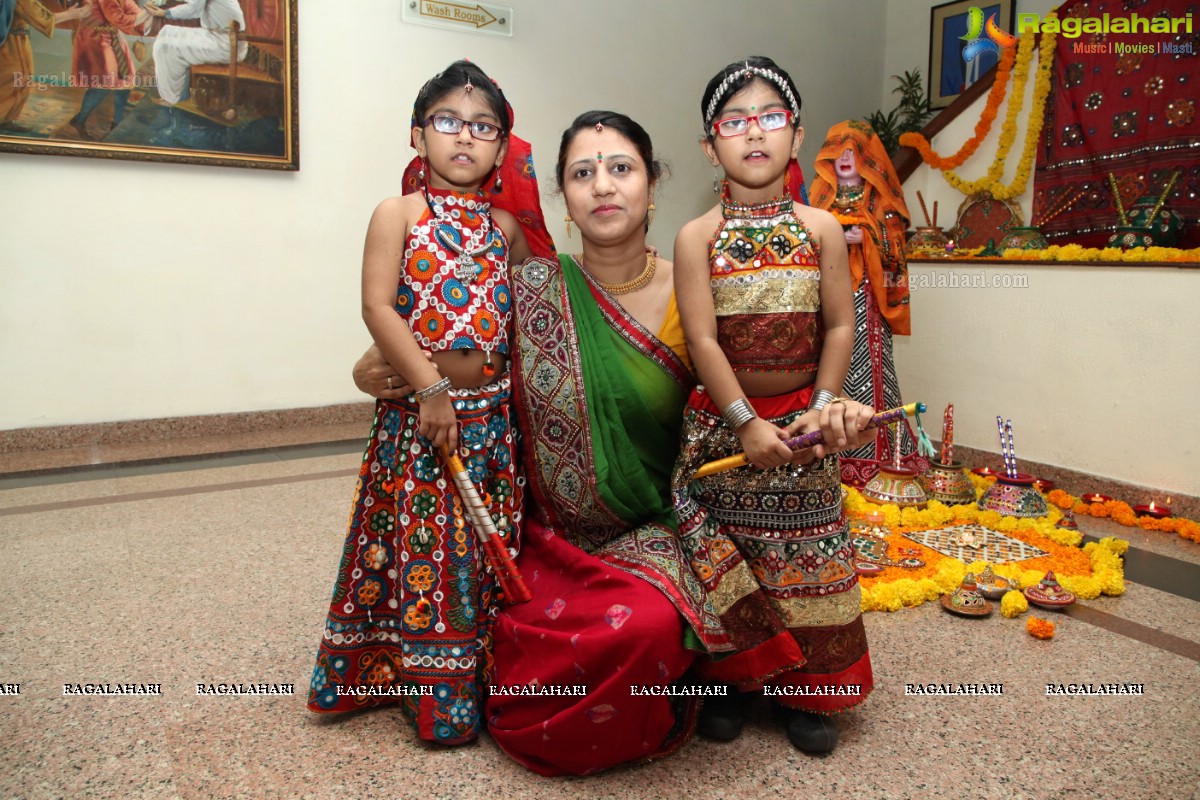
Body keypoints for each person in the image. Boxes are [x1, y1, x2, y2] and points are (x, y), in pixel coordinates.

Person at [356, 111, 710, 776]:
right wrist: (372, 368)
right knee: (506, 619)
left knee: (639, 627)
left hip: (652, 530)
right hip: (541, 533)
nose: (603, 186)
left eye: (621, 168)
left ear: (653, 186)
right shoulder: (533, 288)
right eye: (583, 173)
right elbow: (450, 340)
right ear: (564, 198)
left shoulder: (692, 293)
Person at [308, 60, 537, 747]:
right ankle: (427, 692)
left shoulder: (505, 228)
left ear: (500, 148)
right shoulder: (398, 213)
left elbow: (527, 321)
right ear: (417, 136)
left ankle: (485, 677)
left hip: (491, 423)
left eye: (483, 127)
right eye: (447, 122)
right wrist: (430, 388)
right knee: (422, 548)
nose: (464, 137)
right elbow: (377, 306)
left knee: (484, 548)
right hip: (419, 423)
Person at [670, 56, 875, 755]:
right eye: (734, 121)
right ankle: (733, 683)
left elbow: (841, 326)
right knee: (739, 561)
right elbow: (701, 337)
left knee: (807, 561)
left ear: (797, 135)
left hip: (804, 429)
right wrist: (744, 423)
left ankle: (810, 694)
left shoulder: (822, 229)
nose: (752, 133)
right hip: (728, 429)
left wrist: (822, 407)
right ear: (710, 145)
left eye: (770, 117)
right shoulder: (697, 237)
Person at [811, 121, 915, 484]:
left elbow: (894, 246)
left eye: (853, 152)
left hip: (866, 296)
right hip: (829, 294)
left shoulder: (880, 199)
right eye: (838, 152)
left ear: (866, 159)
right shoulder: (819, 198)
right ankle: (828, 456)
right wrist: (836, 236)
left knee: (869, 366)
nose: (844, 159)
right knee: (825, 365)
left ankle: (882, 457)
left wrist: (865, 235)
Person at [68, 0, 150, 141]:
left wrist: (148, 13)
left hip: (113, 37)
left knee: (126, 82)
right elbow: (119, 19)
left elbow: (131, 10)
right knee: (105, 83)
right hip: (95, 39)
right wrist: (148, 12)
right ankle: (80, 121)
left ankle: (117, 125)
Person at [145, 0, 246, 106]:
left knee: (164, 46)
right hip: (218, 35)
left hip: (228, 45)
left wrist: (164, 13)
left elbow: (193, 10)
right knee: (166, 31)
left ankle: (172, 99)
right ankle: (177, 95)